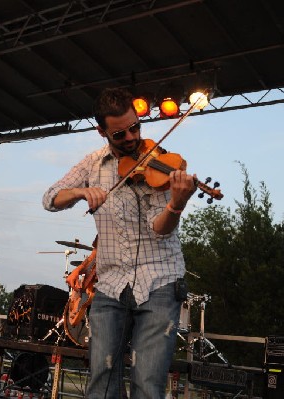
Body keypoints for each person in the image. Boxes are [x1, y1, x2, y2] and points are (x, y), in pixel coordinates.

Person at [42, 88, 197, 398]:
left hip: (160, 281)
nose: (131, 138)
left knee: (147, 383)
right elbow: (50, 198)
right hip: (111, 283)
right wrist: (80, 192)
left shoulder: (159, 162)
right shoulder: (92, 165)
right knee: (102, 380)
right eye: (119, 134)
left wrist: (176, 204)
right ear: (102, 131)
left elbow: (161, 230)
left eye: (135, 127)